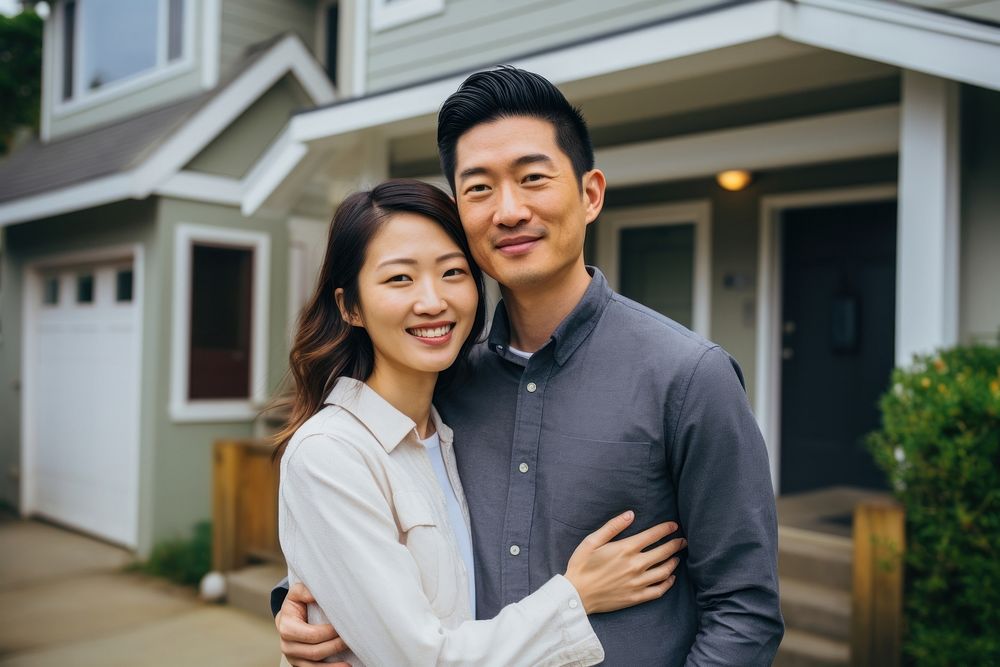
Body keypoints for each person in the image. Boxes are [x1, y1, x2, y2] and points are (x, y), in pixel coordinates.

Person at [276, 67, 784, 665]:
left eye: (533, 178)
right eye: (480, 188)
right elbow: (390, 541)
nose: (509, 210)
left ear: (590, 193)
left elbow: (744, 610)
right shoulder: (444, 381)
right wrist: (304, 603)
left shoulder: (689, 377)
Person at [276, 178, 687, 666]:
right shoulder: (330, 452)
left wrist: (300, 596)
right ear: (350, 307)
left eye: (452, 272)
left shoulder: (453, 421)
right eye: (399, 279)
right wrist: (577, 596)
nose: (433, 301)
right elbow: (423, 661)